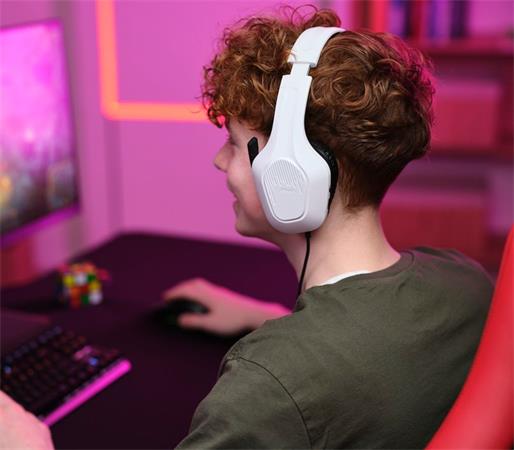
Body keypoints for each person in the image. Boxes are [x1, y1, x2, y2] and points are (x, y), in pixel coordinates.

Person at [0, 5, 494, 450]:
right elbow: (377, 350)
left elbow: (313, 377)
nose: (219, 161)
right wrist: (267, 317)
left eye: (235, 144)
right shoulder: (465, 281)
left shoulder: (268, 384)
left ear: (291, 173)